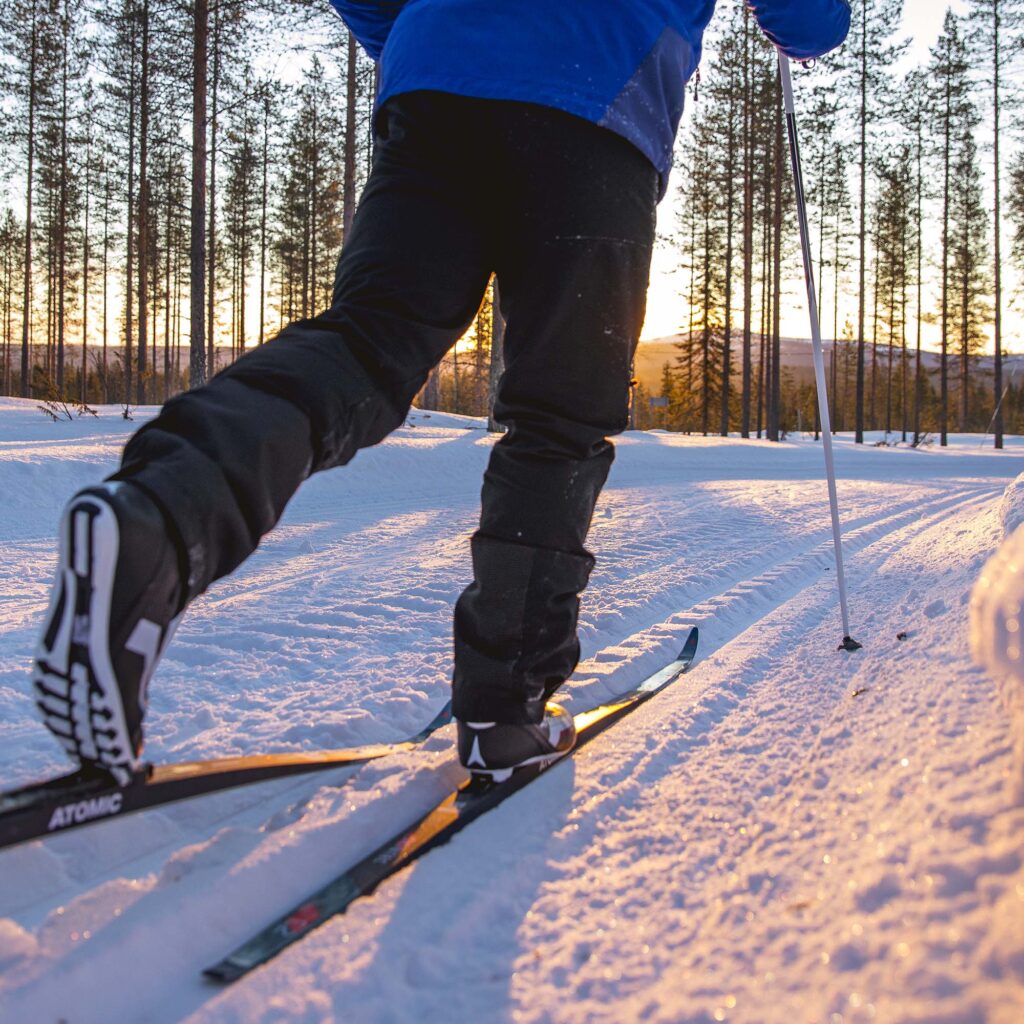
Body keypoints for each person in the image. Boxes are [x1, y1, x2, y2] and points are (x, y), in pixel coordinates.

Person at [31, 0, 850, 785]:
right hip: (598, 93)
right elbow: (810, 18)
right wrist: (805, 29)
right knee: (558, 416)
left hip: (437, 89)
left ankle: (159, 519)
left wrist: (434, 28)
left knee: (367, 340)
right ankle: (506, 707)